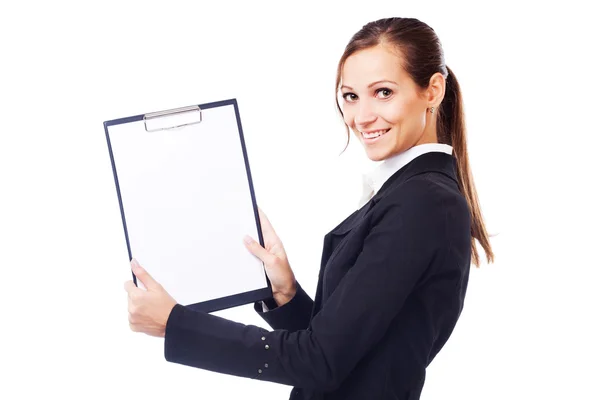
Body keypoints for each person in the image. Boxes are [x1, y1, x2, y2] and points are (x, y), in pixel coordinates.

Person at [124, 16, 495, 400]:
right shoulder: (412, 194)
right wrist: (285, 293)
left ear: (433, 90)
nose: (362, 117)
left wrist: (176, 324)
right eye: (350, 96)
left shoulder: (424, 202)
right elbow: (350, 354)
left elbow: (320, 361)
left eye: (383, 92)